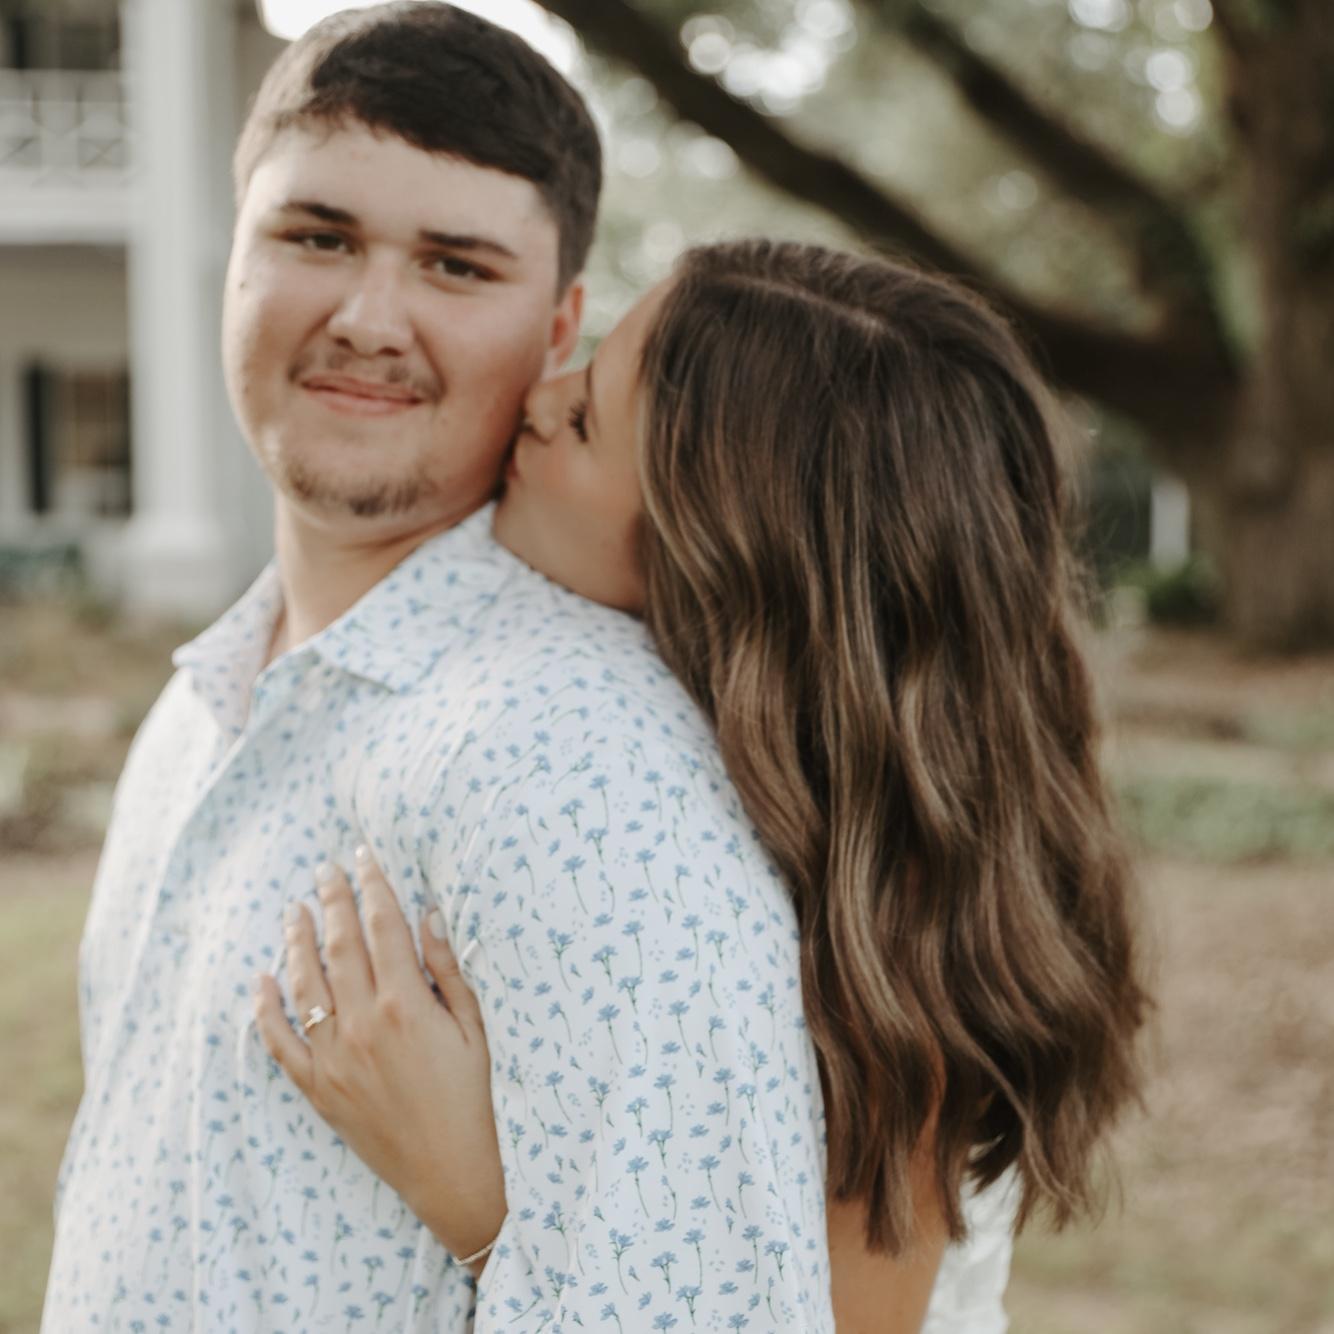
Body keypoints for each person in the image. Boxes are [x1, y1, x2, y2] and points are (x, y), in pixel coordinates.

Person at [39, 6, 984, 1330]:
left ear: (558, 332)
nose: (369, 318)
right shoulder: (198, 703)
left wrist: (490, 1223)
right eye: (316, 237)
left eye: (456, 265)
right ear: (232, 254)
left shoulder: (578, 760)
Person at [252, 240, 1148, 1333]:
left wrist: (476, 1206)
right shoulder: (736, 773)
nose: (535, 402)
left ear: (719, 555)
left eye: (585, 420)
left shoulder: (893, 957)